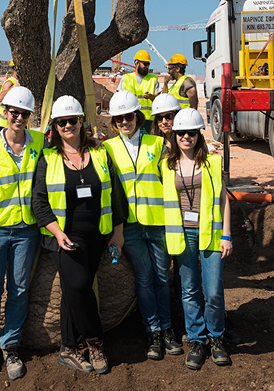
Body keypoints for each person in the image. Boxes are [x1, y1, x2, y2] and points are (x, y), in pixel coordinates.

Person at [32, 95, 128, 375]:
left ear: (82, 121)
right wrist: (57, 232)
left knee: (73, 292)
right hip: (63, 236)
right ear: (54, 126)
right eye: (61, 122)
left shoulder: (100, 153)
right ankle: (95, 341)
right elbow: (39, 201)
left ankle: (68, 349)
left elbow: (117, 196)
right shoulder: (48, 158)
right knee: (78, 285)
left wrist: (117, 234)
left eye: (72, 120)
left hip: (97, 235)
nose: (67, 126)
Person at [103, 90, 182, 360]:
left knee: (162, 278)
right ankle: (153, 331)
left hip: (157, 222)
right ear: (114, 122)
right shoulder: (108, 149)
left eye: (128, 116)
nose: (124, 122)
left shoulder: (156, 144)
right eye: (119, 119)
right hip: (130, 228)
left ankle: (168, 329)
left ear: (137, 116)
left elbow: (172, 181)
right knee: (145, 279)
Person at [0, 85, 43, 382]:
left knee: (18, 290)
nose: (18, 117)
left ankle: (10, 345)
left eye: (24, 113)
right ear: (5, 112)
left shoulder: (38, 142)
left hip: (26, 230)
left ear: (29, 116)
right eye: (14, 112)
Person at [160, 108, 232, 370]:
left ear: (199, 134)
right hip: (182, 235)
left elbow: (224, 200)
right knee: (188, 291)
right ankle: (197, 339)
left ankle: (216, 337)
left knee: (212, 290)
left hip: (210, 233)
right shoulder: (166, 165)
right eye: (182, 133)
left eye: (191, 132)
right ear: (175, 135)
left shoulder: (212, 163)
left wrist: (227, 234)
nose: (186, 137)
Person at [118, 50, 160, 133]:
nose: (147, 66)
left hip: (148, 122)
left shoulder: (153, 79)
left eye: (148, 64)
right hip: (129, 120)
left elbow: (159, 102)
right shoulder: (126, 78)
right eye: (145, 64)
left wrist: (152, 97)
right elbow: (118, 99)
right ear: (137, 63)